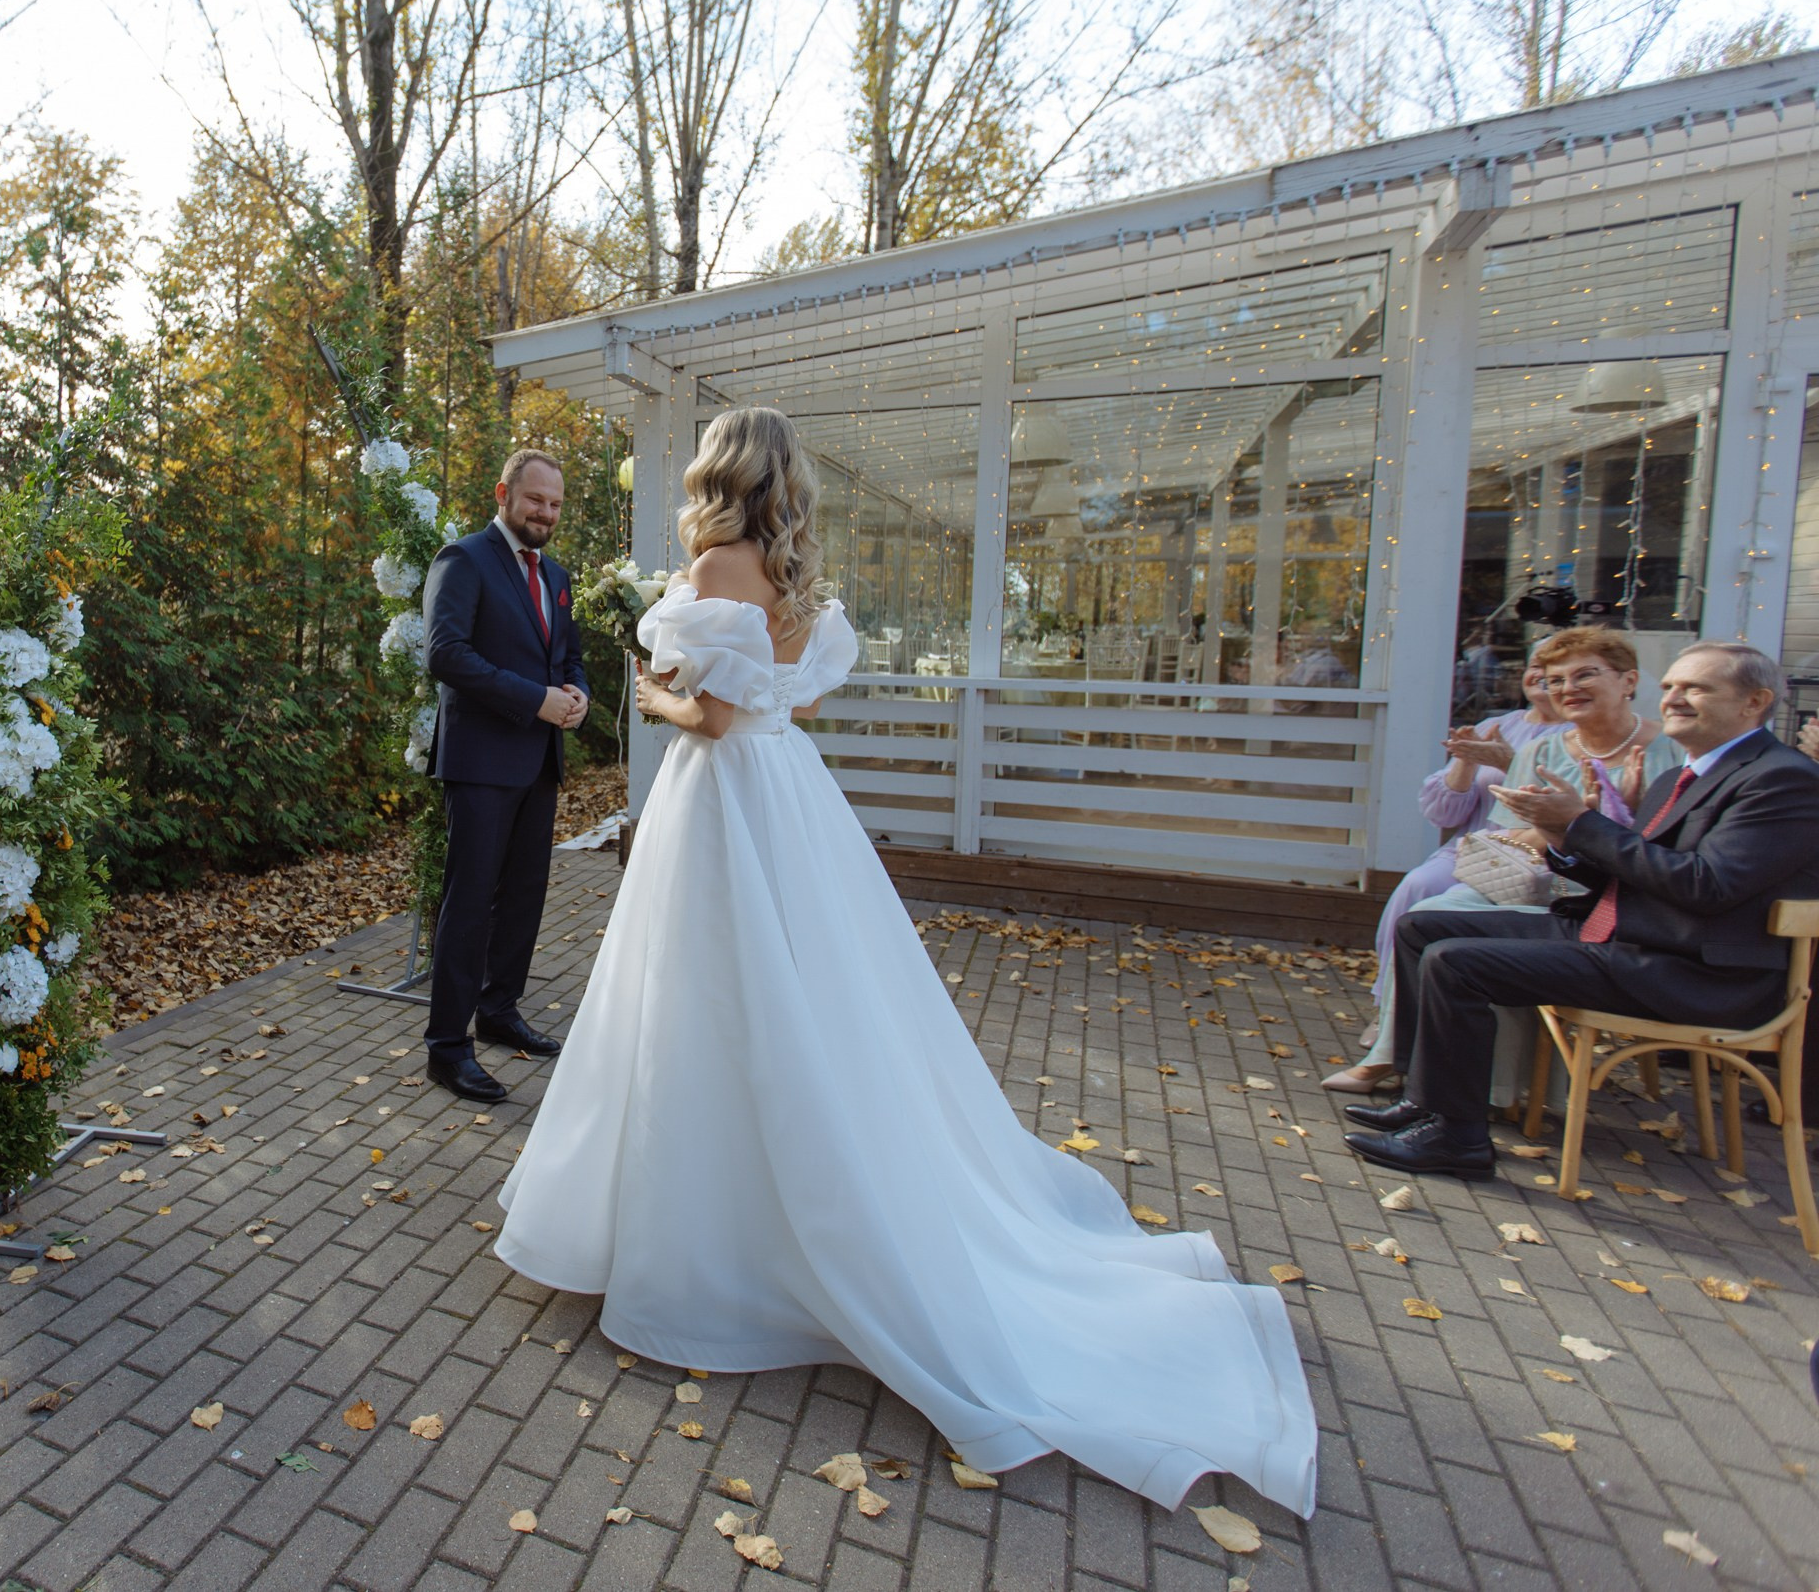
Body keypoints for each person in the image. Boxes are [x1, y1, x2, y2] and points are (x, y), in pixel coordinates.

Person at [493, 408, 1317, 1518]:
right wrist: (734, 698)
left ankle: (707, 1245)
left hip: (724, 799)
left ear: (718, 473)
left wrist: (655, 698)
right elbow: (798, 702)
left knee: (701, 998)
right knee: (796, 998)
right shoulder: (796, 580)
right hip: (788, 798)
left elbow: (720, 717)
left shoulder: (716, 561)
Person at [1345, 641, 1819, 1180]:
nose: (1674, 699)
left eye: (1696, 688)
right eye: (1670, 687)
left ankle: (1458, 1139)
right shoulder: (1685, 773)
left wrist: (1583, 825)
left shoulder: (1781, 779)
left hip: (1697, 971)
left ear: (1754, 702)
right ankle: (1426, 1100)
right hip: (1631, 936)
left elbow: (1709, 887)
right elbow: (1630, 872)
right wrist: (1562, 837)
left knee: (1456, 962)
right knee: (1421, 926)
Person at [1329, 628, 1681, 1094]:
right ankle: (1394, 1052)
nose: (1566, 689)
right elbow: (1512, 836)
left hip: (1617, 899)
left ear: (1628, 681)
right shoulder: (1543, 749)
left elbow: (1671, 851)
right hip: (1543, 878)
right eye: (1556, 680)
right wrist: (1563, 827)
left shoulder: (1670, 752)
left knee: (1456, 931)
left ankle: (1481, 1086)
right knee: (1426, 913)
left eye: (1584, 675)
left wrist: (1593, 823)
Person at [420, 449, 592, 1102]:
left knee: (523, 896)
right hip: (482, 762)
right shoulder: (462, 560)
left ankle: (498, 1010)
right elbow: (446, 654)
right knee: (469, 904)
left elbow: (568, 656)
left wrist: (576, 693)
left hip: (539, 761)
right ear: (503, 494)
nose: (546, 512)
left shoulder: (557, 574)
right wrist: (535, 699)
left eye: (554, 503)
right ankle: (446, 1047)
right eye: (535, 500)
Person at [1324, 661, 1569, 1095]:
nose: (1543, 676)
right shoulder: (1499, 724)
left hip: (1536, 857)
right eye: (1535, 666)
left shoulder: (1577, 740)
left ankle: (1435, 1054)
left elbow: (1558, 811)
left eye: (1559, 671)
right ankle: (1389, 1017)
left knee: (1448, 907)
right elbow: (1443, 812)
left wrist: (1509, 762)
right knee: (1418, 886)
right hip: (1475, 847)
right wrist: (1465, 761)